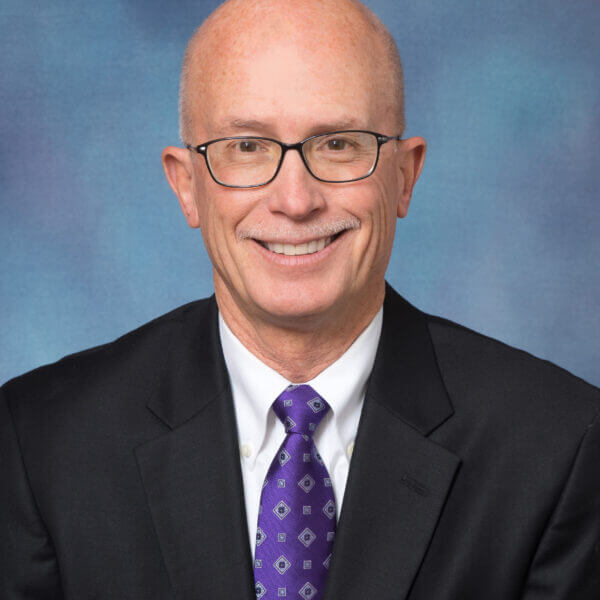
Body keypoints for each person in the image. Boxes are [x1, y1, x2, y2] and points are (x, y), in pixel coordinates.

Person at [1, 0, 599, 598]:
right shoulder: (40, 444)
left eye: (338, 144)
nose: (294, 200)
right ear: (186, 186)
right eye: (246, 147)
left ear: (405, 176)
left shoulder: (561, 445)